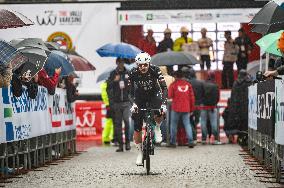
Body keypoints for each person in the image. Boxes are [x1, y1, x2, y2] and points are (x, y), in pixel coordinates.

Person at [128, 52, 167, 166]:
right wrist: (133, 104)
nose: (143, 67)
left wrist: (163, 104)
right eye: (140, 65)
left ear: (149, 63)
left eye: (145, 65)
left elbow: (164, 88)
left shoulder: (155, 70)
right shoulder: (133, 72)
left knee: (159, 110)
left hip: (154, 94)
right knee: (137, 126)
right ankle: (140, 153)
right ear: (137, 65)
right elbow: (129, 92)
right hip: (140, 96)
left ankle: (158, 128)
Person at [107, 58, 131, 152]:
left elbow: (133, 87)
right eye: (120, 63)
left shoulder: (128, 73)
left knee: (127, 121)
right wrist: (114, 81)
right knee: (118, 124)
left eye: (123, 63)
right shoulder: (113, 73)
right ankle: (121, 145)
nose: (121, 64)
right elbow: (108, 88)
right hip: (116, 103)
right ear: (117, 63)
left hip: (126, 103)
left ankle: (128, 142)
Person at [168, 70, 195, 148]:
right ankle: (190, 141)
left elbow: (170, 95)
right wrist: (192, 109)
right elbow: (192, 98)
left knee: (173, 125)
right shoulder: (188, 85)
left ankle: (173, 142)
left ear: (175, 76)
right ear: (182, 76)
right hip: (186, 108)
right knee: (187, 124)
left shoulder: (173, 85)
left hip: (176, 107)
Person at [182, 67, 204, 144]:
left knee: (190, 121)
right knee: (195, 121)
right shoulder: (200, 83)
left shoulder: (187, 83)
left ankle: (193, 137)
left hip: (190, 105)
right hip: (198, 105)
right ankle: (194, 136)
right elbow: (203, 94)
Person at [200, 71, 222, 145]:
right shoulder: (215, 85)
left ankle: (203, 138)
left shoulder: (203, 84)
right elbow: (218, 97)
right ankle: (215, 138)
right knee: (214, 123)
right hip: (213, 106)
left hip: (204, 106)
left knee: (203, 122)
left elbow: (201, 95)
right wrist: (214, 103)